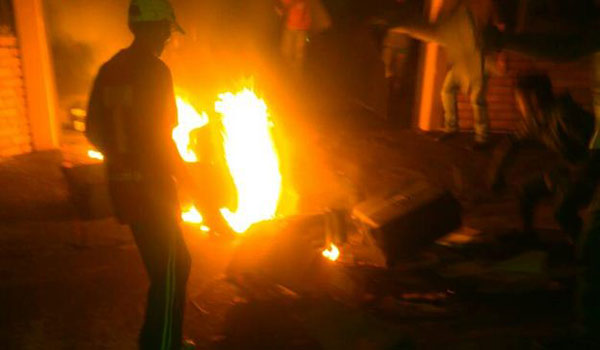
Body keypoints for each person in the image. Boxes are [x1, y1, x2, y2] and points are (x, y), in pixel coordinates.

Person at [85, 1, 197, 348]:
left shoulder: (109, 70)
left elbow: (92, 130)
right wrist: (187, 177)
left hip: (124, 186)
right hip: (152, 187)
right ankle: (163, 345)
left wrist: (121, 160)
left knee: (168, 266)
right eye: (164, 28)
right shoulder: (156, 72)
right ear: (149, 27)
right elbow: (161, 136)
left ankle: (160, 340)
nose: (166, 37)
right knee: (172, 268)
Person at [487, 74, 595, 241]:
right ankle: (528, 237)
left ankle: (585, 248)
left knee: (563, 210)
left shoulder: (564, 116)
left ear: (534, 99)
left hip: (592, 175)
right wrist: (497, 173)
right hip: (570, 171)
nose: (518, 106)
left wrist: (574, 174)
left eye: (519, 100)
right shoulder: (535, 120)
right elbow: (511, 144)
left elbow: (595, 144)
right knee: (526, 191)